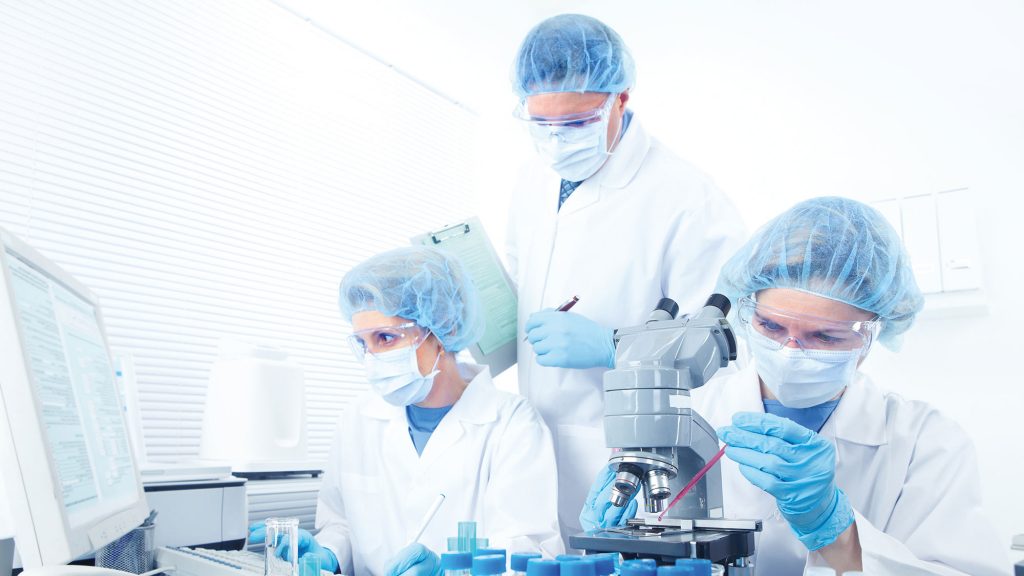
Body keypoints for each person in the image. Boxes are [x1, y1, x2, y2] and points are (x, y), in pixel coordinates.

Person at [581, 196, 1008, 574]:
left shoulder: (926, 443)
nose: (790, 351)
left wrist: (835, 530)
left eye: (824, 337)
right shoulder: (688, 411)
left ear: (872, 334)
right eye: (770, 325)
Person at [507, 13, 745, 543]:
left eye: (576, 123)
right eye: (541, 124)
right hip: (530, 460)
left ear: (622, 97)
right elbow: (516, 285)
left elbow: (723, 356)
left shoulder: (687, 199)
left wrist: (618, 350)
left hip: (634, 466)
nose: (556, 141)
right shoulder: (532, 184)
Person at [251, 246, 563, 575]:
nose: (371, 359)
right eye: (363, 343)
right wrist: (327, 552)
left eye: (385, 337)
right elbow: (342, 525)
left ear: (445, 330)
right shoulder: (358, 419)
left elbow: (530, 554)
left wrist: (447, 570)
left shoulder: (511, 424)